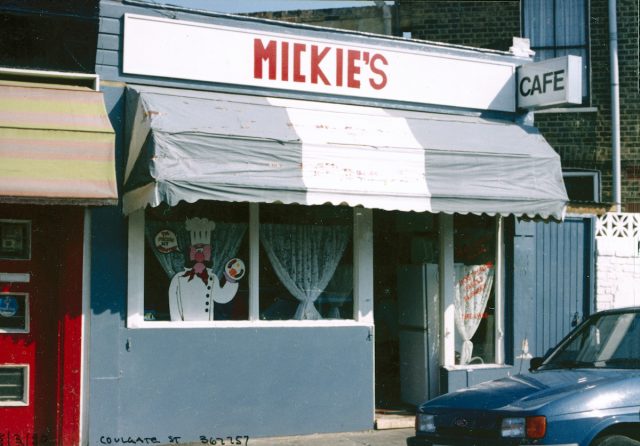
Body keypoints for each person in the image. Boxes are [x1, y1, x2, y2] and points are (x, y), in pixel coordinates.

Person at [168, 217, 240, 321]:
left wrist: (231, 280)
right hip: (185, 328)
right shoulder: (178, 278)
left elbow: (222, 297)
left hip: (206, 326)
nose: (199, 254)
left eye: (203, 250)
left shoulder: (212, 278)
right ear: (189, 252)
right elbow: (174, 306)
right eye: (196, 250)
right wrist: (178, 327)